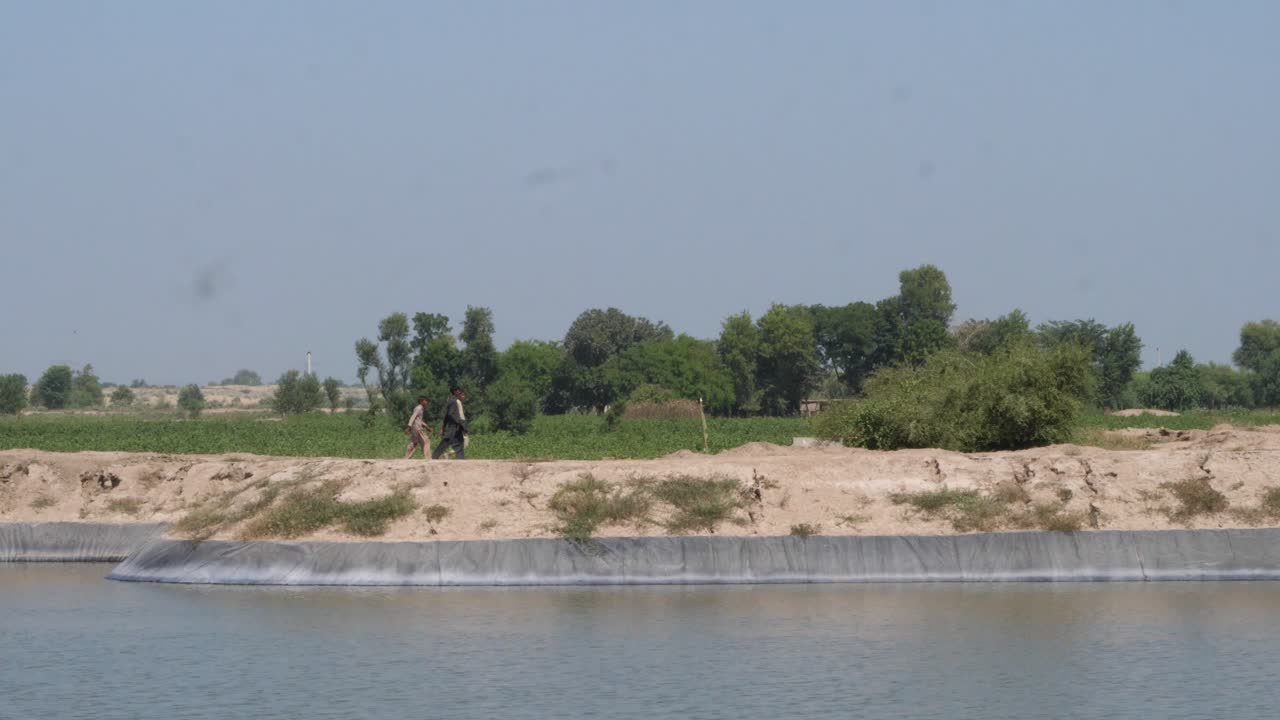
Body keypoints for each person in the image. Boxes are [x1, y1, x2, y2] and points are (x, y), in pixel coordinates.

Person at [432, 386, 468, 460]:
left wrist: (444, 427)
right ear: (454, 392)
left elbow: (447, 415)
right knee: (446, 441)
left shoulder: (454, 401)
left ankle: (461, 460)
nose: (460, 392)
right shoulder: (453, 401)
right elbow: (450, 414)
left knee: (460, 443)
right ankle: (434, 457)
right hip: (454, 425)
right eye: (458, 391)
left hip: (457, 425)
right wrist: (459, 422)